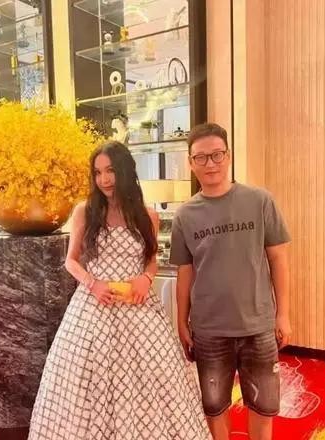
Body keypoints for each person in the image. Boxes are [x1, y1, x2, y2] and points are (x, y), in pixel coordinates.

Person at [29, 141, 210, 440]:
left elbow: (151, 260)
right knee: (87, 382)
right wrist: (93, 284)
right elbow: (71, 261)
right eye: (98, 172)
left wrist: (146, 279)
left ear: (125, 171)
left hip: (138, 306)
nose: (104, 179)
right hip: (93, 306)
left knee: (152, 378)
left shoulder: (147, 216)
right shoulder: (85, 212)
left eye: (110, 170)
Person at [170, 123, 292, 440]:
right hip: (209, 330)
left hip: (258, 326)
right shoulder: (185, 215)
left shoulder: (260, 201)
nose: (210, 163)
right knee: (214, 407)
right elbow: (185, 272)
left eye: (217, 155)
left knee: (263, 405)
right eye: (201, 157)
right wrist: (181, 321)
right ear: (190, 163)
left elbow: (278, 259)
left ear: (229, 156)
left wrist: (283, 314)